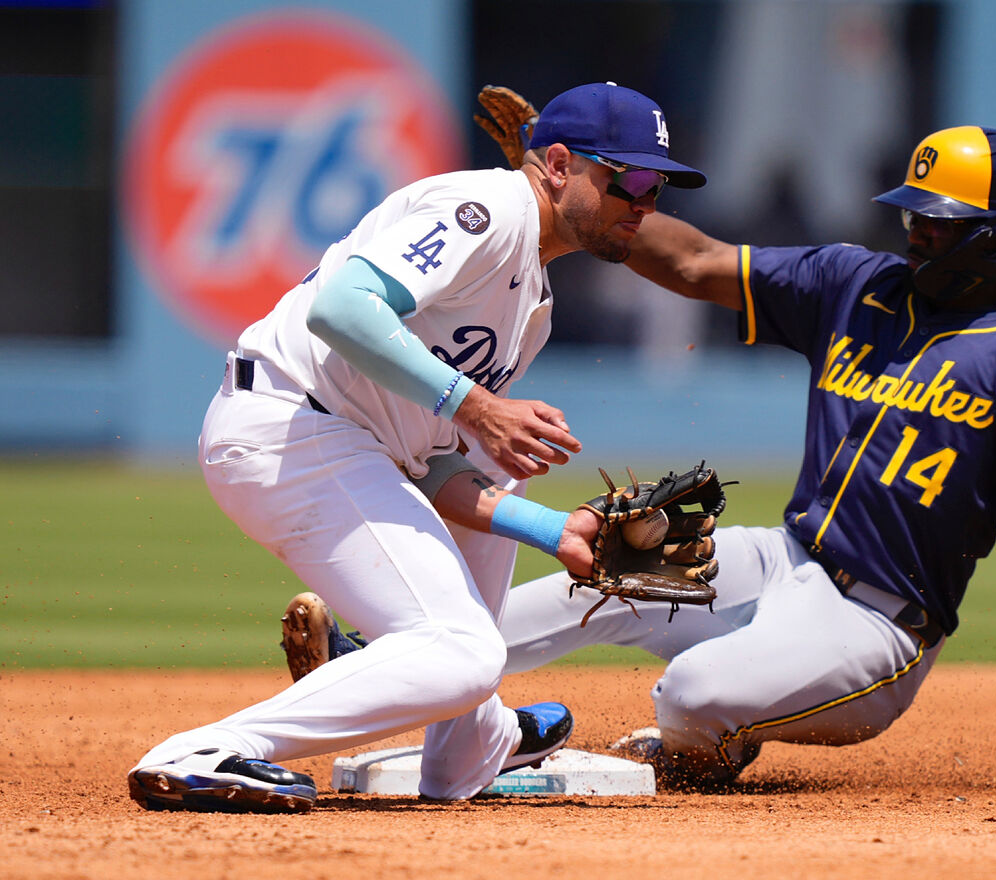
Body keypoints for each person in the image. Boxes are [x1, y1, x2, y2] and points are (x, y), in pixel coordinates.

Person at [288, 124, 996, 793]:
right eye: (911, 213)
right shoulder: (857, 284)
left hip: (879, 621)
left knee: (691, 696)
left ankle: (711, 747)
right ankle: (381, 661)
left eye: (942, 224)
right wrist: (562, 189)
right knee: (614, 558)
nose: (915, 235)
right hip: (785, 556)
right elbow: (692, 262)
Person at [127, 82, 706, 813]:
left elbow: (432, 465)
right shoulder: (489, 211)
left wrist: (555, 532)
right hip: (290, 427)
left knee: (504, 460)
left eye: (660, 187)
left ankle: (471, 745)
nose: (648, 203)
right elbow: (343, 307)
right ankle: (206, 750)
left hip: (342, 441)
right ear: (559, 164)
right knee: (460, 649)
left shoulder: (532, 309)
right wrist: (476, 403)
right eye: (633, 181)